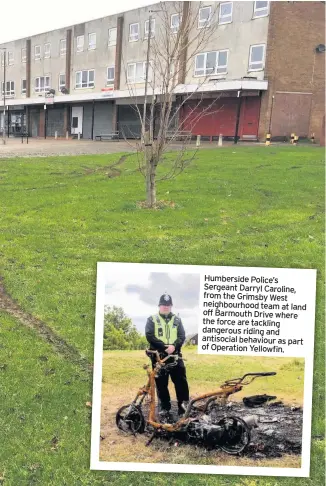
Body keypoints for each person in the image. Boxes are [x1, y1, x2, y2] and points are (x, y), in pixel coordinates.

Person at [145, 293, 190, 421]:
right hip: (159, 357)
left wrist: (174, 346)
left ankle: (183, 408)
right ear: (159, 306)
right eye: (163, 305)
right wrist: (164, 347)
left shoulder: (177, 320)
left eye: (168, 305)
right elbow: (149, 336)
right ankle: (165, 409)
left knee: (181, 382)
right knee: (161, 384)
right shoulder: (152, 319)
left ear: (171, 306)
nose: (165, 307)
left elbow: (182, 336)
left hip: (175, 356)